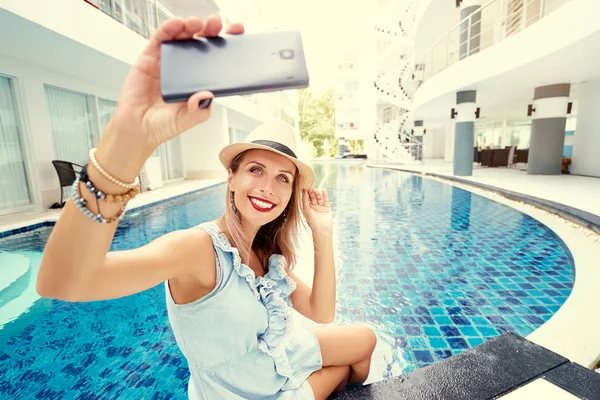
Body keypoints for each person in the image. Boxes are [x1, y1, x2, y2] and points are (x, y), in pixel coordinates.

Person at [36, 15, 376, 400]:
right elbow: (62, 281)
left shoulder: (265, 252)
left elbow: (321, 312)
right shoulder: (197, 249)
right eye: (256, 169)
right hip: (253, 394)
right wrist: (126, 141)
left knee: (365, 340)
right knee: (347, 365)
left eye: (283, 178)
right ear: (231, 178)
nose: (268, 186)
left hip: (275, 360)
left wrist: (323, 231)